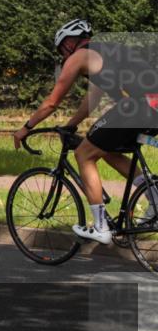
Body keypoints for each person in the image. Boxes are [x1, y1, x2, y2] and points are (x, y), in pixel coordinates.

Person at [13, 19, 158, 244]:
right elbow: (92, 100)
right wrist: (71, 125)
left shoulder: (79, 56)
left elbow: (52, 102)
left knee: (83, 153)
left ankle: (100, 227)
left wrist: (26, 128)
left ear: (70, 42)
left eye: (62, 49)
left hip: (139, 105)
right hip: (152, 106)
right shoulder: (105, 53)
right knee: (105, 149)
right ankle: (155, 197)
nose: (63, 55)